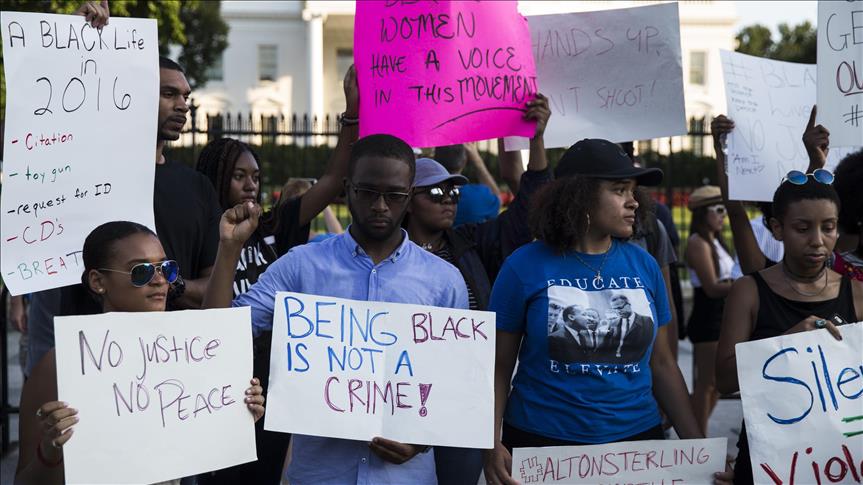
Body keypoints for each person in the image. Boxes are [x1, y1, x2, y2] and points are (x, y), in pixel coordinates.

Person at [203, 133, 469, 485]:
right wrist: (229, 249)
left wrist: (423, 440)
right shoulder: (301, 266)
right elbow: (220, 335)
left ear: (410, 195)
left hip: (406, 477)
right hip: (319, 475)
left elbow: (459, 381)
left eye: (394, 195)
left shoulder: (444, 281)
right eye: (367, 192)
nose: (380, 206)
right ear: (347, 188)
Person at [483, 139, 733, 485]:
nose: (634, 202)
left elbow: (661, 364)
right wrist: (489, 442)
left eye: (633, 190)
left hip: (636, 445)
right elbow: (497, 366)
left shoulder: (644, 264)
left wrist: (700, 449)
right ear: (578, 195)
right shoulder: (523, 266)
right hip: (542, 447)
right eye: (619, 190)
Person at [193, 65, 358, 485]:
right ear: (216, 178)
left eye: (257, 177)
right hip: (214, 376)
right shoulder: (202, 232)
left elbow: (334, 179)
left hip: (270, 378)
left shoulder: (274, 225)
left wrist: (351, 113)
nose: (251, 185)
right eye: (239, 176)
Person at [15, 219, 266, 485]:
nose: (159, 281)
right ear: (98, 281)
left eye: (166, 269)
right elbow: (24, 480)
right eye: (141, 271)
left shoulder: (183, 349)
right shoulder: (62, 364)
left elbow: (215, 331)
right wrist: (50, 450)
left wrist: (237, 410)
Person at [715, 174, 863, 485]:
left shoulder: (858, 293)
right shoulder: (749, 291)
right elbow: (724, 380)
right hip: (771, 460)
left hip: (841, 460)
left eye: (829, 227)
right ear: (777, 228)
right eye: (802, 228)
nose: (817, 240)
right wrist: (784, 343)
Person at [684, 185, 736, 435]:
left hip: (721, 317)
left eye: (724, 210)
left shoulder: (717, 242)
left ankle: (694, 434)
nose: (723, 215)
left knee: (716, 385)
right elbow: (712, 287)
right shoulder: (698, 242)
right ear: (703, 213)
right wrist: (745, 284)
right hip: (708, 318)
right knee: (706, 384)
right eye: (717, 210)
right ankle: (697, 440)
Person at [434, 143, 501, 226]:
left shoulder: (423, 197)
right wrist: (478, 161)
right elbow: (497, 199)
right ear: (464, 161)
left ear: (435, 159)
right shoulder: (480, 196)